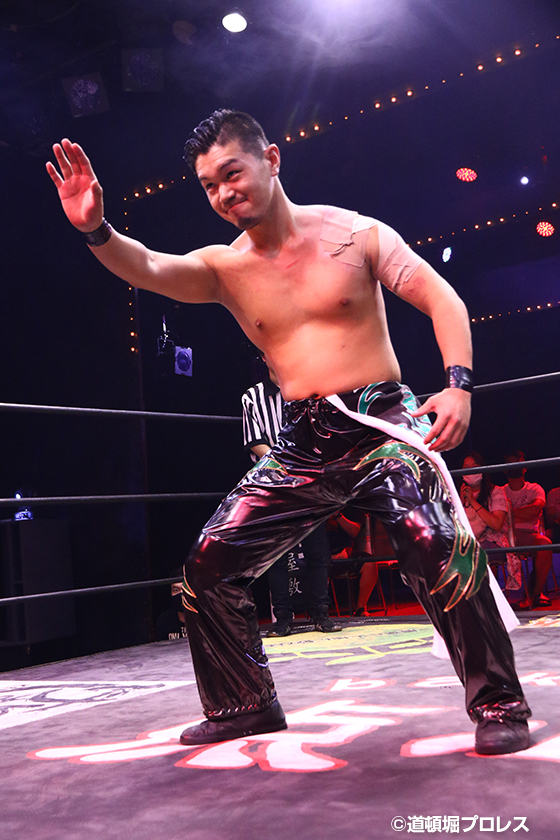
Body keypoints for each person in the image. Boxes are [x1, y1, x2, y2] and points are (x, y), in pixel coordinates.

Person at [46, 109, 530, 756]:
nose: (224, 194)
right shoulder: (224, 268)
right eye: (209, 186)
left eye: (232, 174)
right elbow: (150, 268)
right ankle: (243, 703)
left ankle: (499, 703)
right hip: (303, 438)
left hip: (380, 421)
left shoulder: (354, 234)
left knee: (433, 539)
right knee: (207, 567)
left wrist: (458, 385)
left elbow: (443, 299)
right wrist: (95, 228)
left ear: (271, 159)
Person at [242, 369, 341, 635]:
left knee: (316, 550)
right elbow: (255, 443)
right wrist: (286, 467)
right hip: (274, 481)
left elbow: (320, 433)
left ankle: (321, 614)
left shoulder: (306, 389)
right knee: (277, 554)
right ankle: (283, 619)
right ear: (264, 357)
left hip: (308, 479)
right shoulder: (253, 397)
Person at [459, 452, 522, 595]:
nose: (470, 471)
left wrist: (473, 502)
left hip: (493, 541)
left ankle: (485, 597)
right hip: (467, 541)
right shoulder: (458, 494)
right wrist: (461, 502)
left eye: (474, 467)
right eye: (466, 468)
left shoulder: (496, 492)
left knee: (474, 554)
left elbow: (497, 525)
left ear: (482, 469)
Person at [502, 450, 553, 609]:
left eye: (517, 463)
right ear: (504, 469)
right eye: (510, 463)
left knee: (545, 544)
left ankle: (536, 594)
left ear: (524, 467)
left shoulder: (535, 488)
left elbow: (535, 510)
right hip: (504, 537)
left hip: (529, 535)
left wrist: (509, 514)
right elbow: (497, 517)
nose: (513, 466)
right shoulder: (500, 491)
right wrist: (523, 513)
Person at [327, 509, 380, 616]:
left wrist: (337, 514)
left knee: (369, 563)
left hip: (345, 553)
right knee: (317, 571)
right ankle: (319, 611)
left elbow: (354, 531)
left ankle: (361, 608)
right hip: (320, 556)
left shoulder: (351, 506)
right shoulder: (317, 507)